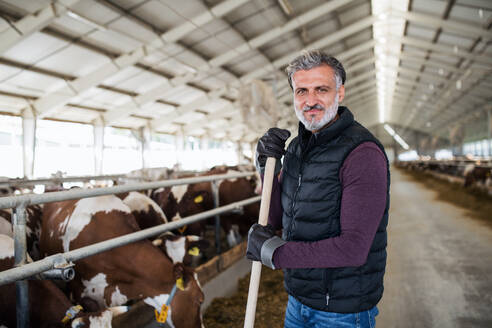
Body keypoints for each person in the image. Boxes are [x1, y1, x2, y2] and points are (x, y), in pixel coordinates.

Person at [246, 49, 390, 328]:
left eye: (321, 89)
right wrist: (266, 167)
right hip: (298, 301)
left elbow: (353, 249)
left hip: (342, 312)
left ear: (340, 92)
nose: (310, 101)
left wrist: (275, 254)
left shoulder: (362, 153)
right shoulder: (298, 148)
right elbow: (275, 218)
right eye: (301, 91)